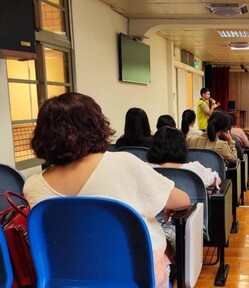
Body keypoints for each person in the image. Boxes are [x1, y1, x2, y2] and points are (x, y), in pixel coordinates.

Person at [23, 92, 190, 288]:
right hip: (138, 276)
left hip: (67, 278)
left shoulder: (32, 186)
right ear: (95, 125)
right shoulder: (122, 163)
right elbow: (183, 200)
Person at [148, 126, 221, 188]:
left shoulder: (146, 168)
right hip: (190, 204)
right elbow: (216, 180)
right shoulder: (193, 169)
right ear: (182, 147)